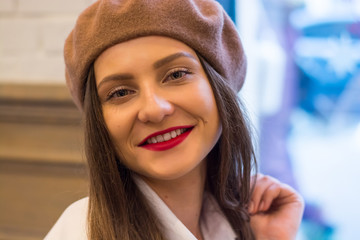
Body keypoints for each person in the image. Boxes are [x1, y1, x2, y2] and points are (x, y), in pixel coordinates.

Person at [45, 0, 304, 239]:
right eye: (120, 92)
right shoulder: (81, 232)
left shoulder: (238, 222)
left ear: (219, 88)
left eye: (177, 74)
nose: (154, 109)